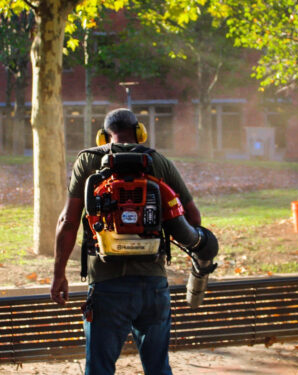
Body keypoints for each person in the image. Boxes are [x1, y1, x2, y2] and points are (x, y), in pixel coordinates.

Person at [50, 108, 201, 375]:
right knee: (158, 369)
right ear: (139, 132)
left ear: (103, 137)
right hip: (153, 285)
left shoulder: (88, 160)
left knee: (100, 369)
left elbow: (68, 222)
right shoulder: (158, 161)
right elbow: (193, 218)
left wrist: (58, 274)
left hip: (107, 286)